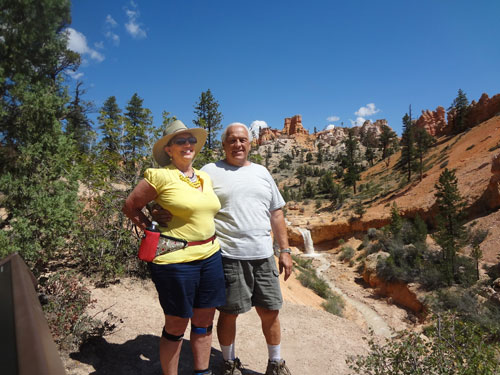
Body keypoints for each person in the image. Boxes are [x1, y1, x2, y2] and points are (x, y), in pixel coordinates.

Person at [153, 122, 293, 375]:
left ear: (250, 143)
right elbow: (185, 198)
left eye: (243, 140)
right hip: (228, 255)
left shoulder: (262, 172)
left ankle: (275, 362)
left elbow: (276, 213)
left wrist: (285, 250)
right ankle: (229, 361)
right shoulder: (209, 172)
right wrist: (158, 211)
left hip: (263, 256)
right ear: (224, 144)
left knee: (271, 311)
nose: (238, 145)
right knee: (229, 313)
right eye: (232, 140)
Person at [122, 120, 225, 375]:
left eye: (190, 140)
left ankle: (203, 372)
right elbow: (130, 206)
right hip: (175, 261)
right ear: (169, 149)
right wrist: (151, 224)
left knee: (204, 321)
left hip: (210, 255)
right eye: (180, 141)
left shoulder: (204, 177)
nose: (188, 144)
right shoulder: (159, 176)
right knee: (177, 323)